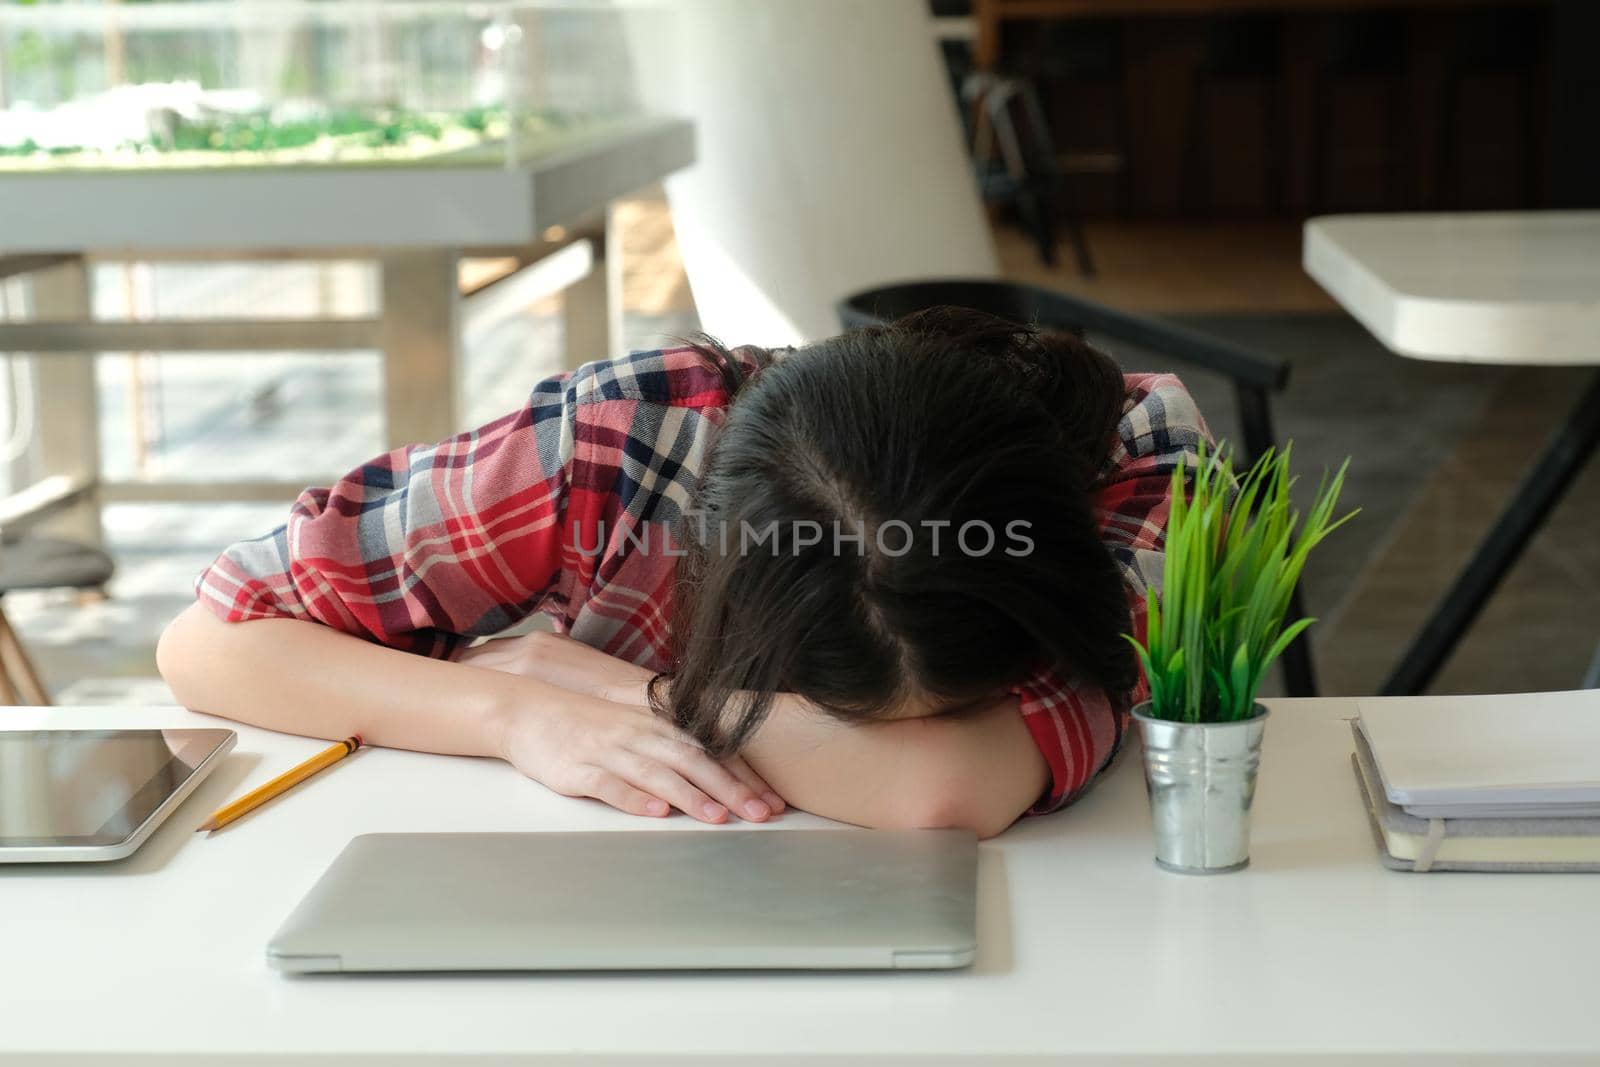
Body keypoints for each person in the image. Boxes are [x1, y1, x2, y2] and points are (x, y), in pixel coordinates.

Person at [157, 308, 1207, 839]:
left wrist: (597, 685)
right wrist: (509, 715)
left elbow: (943, 784)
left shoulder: (1138, 456)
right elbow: (211, 641)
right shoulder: (624, 442)